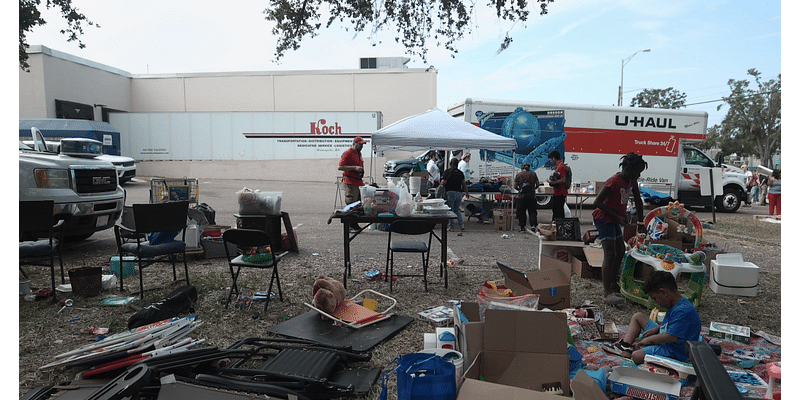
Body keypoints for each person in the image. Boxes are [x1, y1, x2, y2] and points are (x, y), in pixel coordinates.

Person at [602, 271, 701, 365]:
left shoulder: (683, 311)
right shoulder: (675, 303)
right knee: (638, 316)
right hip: (667, 338)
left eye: (655, 298)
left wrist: (650, 340)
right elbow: (672, 324)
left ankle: (639, 350)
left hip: (675, 350)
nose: (656, 302)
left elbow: (671, 336)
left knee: (637, 356)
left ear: (664, 292)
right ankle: (625, 346)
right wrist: (656, 329)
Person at [592, 152, 646, 306]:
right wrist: (617, 218)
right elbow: (597, 202)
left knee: (620, 251)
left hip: (615, 219)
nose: (639, 176)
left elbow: (638, 200)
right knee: (610, 254)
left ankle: (613, 283)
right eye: (637, 172)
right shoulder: (613, 182)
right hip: (603, 219)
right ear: (628, 169)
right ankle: (607, 293)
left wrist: (641, 222)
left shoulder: (632, 181)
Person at [338, 136, 367, 230]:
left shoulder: (359, 153)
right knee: (351, 203)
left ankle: (354, 224)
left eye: (362, 145)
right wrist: (354, 168)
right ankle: (350, 225)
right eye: (360, 144)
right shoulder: (348, 153)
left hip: (357, 181)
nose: (361, 146)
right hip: (350, 181)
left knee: (358, 203)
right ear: (354, 144)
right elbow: (340, 167)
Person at [441, 157, 469, 232]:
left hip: (450, 192)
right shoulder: (460, 173)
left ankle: (451, 226)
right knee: (457, 210)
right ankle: (461, 225)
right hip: (459, 193)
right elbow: (464, 184)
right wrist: (467, 193)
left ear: (450, 164)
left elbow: (443, 182)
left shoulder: (447, 172)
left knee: (450, 210)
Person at [514, 162, 539, 232]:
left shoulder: (518, 175)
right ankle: (533, 226)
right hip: (531, 196)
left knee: (521, 211)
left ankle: (522, 227)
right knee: (532, 211)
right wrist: (533, 189)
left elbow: (515, 186)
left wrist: (520, 190)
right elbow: (538, 184)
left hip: (522, 196)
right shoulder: (533, 174)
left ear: (522, 168)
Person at [546, 151, 569, 222]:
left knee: (559, 211)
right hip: (557, 192)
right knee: (555, 210)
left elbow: (563, 180)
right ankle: (555, 223)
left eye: (550, 159)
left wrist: (551, 182)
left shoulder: (561, 167)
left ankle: (559, 224)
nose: (550, 161)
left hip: (560, 193)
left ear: (553, 158)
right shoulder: (558, 167)